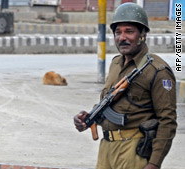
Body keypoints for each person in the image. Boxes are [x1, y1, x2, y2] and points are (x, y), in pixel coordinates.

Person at [74, 3, 177, 169]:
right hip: (106, 148)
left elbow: (168, 121)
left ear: (143, 34)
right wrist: (87, 118)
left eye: (129, 31)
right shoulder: (115, 63)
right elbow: (111, 103)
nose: (122, 37)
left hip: (133, 150)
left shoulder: (157, 71)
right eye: (118, 32)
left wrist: (154, 163)